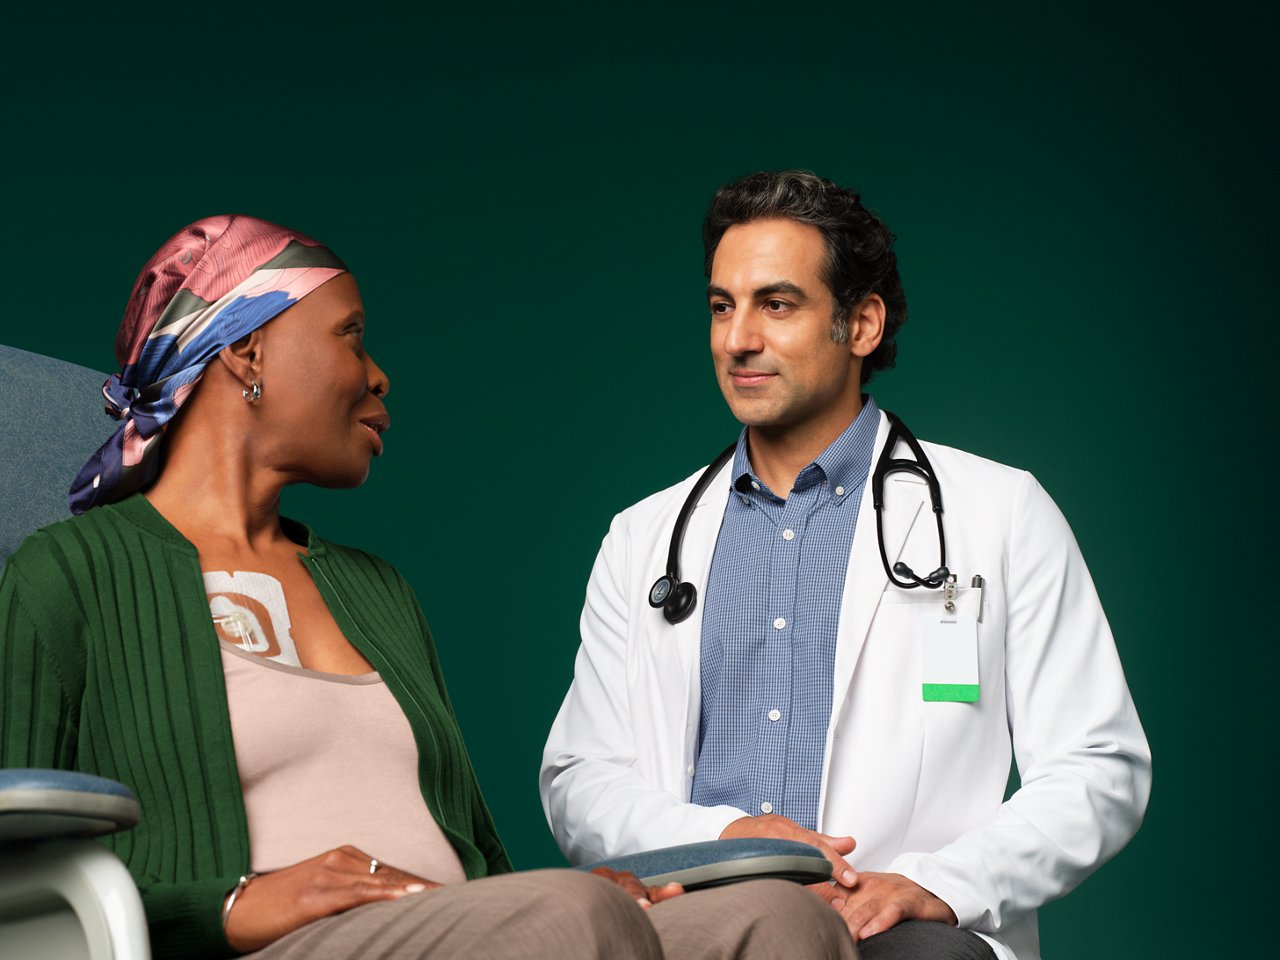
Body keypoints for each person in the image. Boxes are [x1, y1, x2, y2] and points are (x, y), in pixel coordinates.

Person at [0, 215, 855, 960]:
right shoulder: (73, 572)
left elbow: (475, 857)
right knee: (569, 916)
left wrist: (603, 900)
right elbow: (18, 885)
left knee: (778, 924)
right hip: (261, 947)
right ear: (248, 348)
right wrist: (227, 904)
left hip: (459, 929)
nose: (378, 375)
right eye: (350, 335)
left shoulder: (376, 591)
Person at [540, 171, 1152, 960]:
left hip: (891, 933)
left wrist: (940, 883)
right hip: (696, 929)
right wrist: (723, 837)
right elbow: (579, 777)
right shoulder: (643, 538)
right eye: (722, 306)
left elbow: (1098, 769)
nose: (737, 339)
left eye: (778, 304)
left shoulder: (999, 512)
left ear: (861, 324)